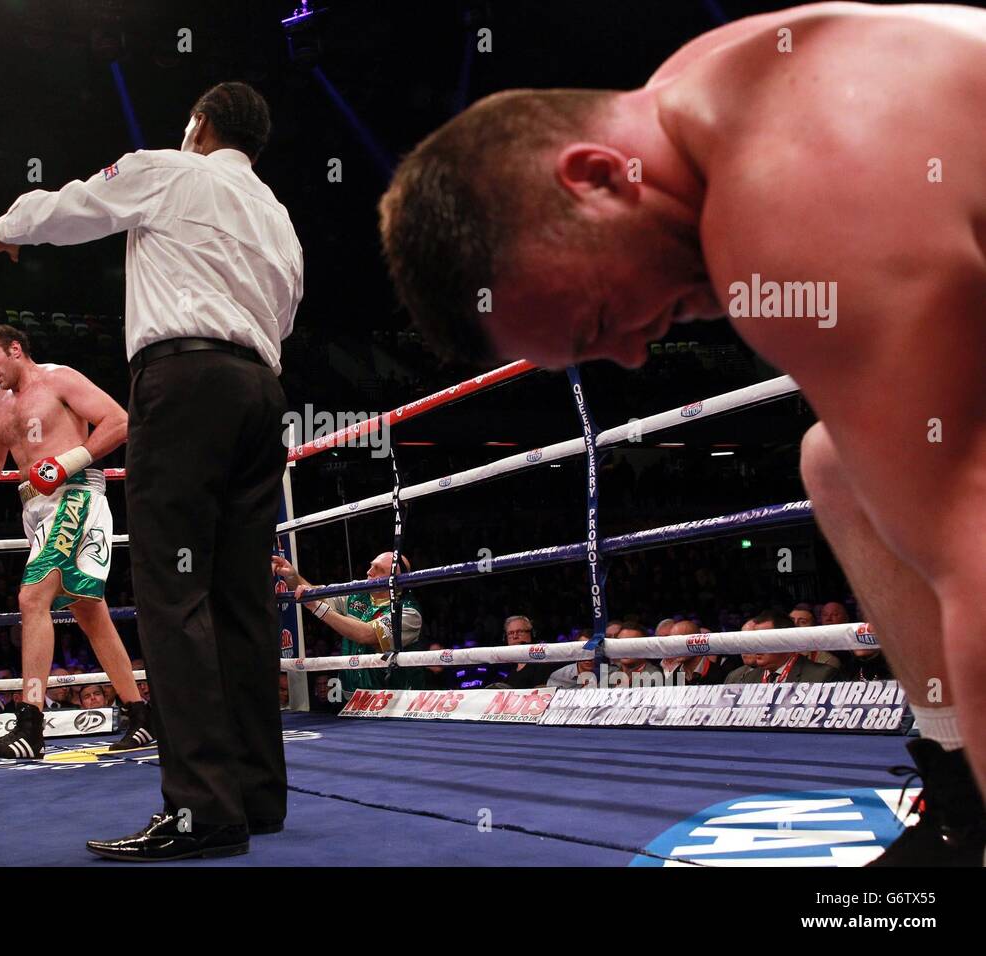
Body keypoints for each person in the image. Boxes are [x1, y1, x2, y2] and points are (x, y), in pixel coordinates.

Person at [378, 3, 986, 864]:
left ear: (594, 176)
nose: (631, 352)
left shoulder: (789, 201)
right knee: (837, 463)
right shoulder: (706, 87)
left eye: (597, 319)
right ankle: (962, 788)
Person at [0, 81, 303, 860]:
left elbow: (73, 206)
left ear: (201, 125)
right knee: (242, 599)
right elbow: (284, 312)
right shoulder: (281, 219)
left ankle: (200, 810)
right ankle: (255, 797)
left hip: (185, 384)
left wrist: (3, 228)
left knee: (175, 591)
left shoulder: (171, 167)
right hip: (262, 391)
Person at [0, 324, 152, 760]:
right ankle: (141, 717)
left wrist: (67, 463)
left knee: (33, 598)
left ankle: (29, 725)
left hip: (76, 493)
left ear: (15, 349)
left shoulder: (59, 378)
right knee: (89, 613)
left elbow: (119, 421)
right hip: (34, 507)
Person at [272, 551, 424, 701]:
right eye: (371, 566)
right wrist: (292, 576)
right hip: (351, 696)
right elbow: (319, 596)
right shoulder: (357, 593)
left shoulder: (408, 612)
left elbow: (367, 634)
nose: (369, 572)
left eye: (378, 570)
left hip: (394, 699)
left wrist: (318, 608)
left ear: (397, 580)